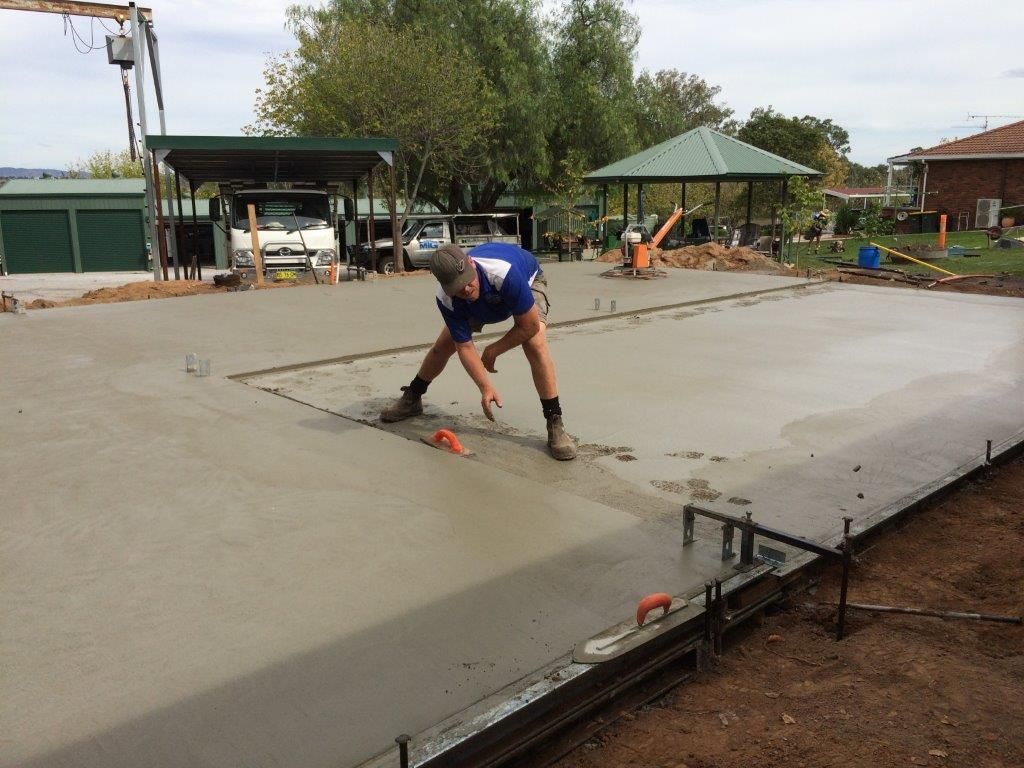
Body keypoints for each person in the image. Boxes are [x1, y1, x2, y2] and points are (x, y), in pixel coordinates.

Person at [380, 242, 577, 461]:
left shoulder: (504, 273)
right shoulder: (447, 298)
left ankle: (554, 420)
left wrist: (494, 350)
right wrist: (485, 387)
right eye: (456, 287)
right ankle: (413, 397)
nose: (465, 289)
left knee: (534, 343)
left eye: (466, 280)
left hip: (527, 281)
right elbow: (464, 346)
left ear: (471, 263)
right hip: (485, 302)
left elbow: (528, 325)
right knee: (445, 344)